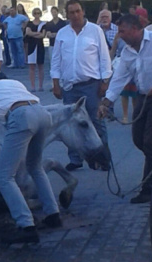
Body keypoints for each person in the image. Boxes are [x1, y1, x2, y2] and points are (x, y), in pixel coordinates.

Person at [98, 14, 152, 204]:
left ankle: (149, 188)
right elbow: (120, 77)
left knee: (151, 141)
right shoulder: (128, 51)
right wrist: (106, 102)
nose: (119, 36)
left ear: (136, 29)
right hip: (144, 96)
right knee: (139, 139)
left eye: (122, 31)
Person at [0, 75, 62, 244]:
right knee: (35, 167)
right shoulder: (15, 82)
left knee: (4, 177)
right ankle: (53, 214)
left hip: (21, 116)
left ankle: (26, 226)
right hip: (42, 114)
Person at [51, 0, 112, 171]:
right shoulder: (62, 33)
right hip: (69, 86)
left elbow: (104, 57)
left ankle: (103, 158)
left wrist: (105, 81)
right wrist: (55, 83)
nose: (75, 15)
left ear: (83, 12)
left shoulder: (95, 30)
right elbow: (56, 59)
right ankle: (75, 159)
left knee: (96, 121)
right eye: (71, 12)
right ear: (67, 14)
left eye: (78, 11)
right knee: (70, 124)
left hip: (91, 84)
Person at [26, 8, 46, 92]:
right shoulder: (29, 23)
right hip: (31, 47)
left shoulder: (43, 24)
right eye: (35, 13)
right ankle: (33, 86)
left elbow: (43, 35)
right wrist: (37, 33)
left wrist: (33, 34)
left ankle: (40, 86)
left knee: (40, 66)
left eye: (38, 13)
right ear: (33, 14)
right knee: (32, 67)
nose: (37, 14)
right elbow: (28, 32)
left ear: (40, 14)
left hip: (40, 46)